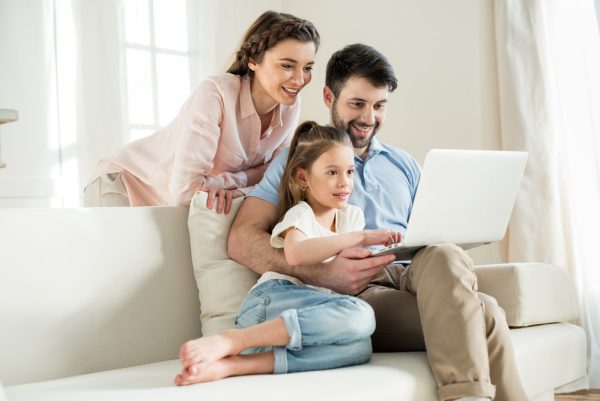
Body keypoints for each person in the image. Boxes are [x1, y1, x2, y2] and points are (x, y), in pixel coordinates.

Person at [227, 44, 529, 401]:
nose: (369, 117)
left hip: (413, 272)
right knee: (487, 312)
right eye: (357, 104)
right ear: (329, 96)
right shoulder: (301, 159)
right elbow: (241, 239)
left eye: (379, 105)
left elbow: (429, 233)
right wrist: (324, 275)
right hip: (364, 287)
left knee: (445, 251)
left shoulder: (403, 164)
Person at [174, 121, 400, 385]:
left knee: (360, 346)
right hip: (269, 303)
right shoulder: (301, 214)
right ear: (303, 178)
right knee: (361, 314)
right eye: (332, 172)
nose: (344, 182)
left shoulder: (352, 216)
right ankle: (232, 339)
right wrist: (359, 237)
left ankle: (234, 365)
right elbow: (296, 255)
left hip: (301, 319)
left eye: (350, 172)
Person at [84, 11, 319, 211]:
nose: (300, 79)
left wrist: (229, 187)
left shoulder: (289, 107)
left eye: (307, 67)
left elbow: (275, 181)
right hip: (125, 183)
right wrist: (247, 179)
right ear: (253, 61)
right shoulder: (216, 93)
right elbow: (185, 192)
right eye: (287, 65)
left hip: (176, 205)